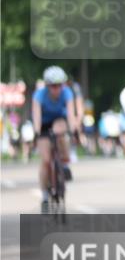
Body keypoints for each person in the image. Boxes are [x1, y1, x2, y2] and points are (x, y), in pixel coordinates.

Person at [31, 66, 78, 213]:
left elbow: (70, 114)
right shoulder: (39, 95)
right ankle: (45, 194)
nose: (56, 89)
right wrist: (37, 132)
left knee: (61, 133)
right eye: (53, 86)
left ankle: (64, 163)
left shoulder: (67, 93)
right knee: (45, 160)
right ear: (47, 85)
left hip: (59, 120)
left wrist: (73, 129)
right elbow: (36, 116)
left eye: (59, 85)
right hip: (44, 123)